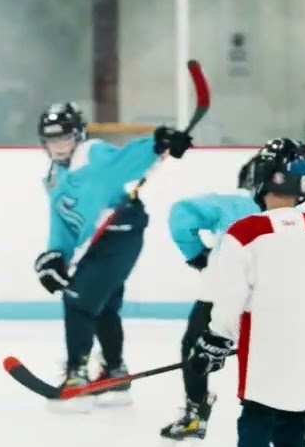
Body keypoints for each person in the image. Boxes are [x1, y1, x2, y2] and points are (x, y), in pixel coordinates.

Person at [190, 138, 305, 447]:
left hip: (265, 347)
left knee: (255, 418)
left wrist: (216, 339)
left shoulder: (245, 232)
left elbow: (230, 297)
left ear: (262, 177)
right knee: (293, 415)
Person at [32, 103, 192, 411]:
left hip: (120, 232)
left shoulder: (91, 154)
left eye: (64, 138)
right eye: (52, 141)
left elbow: (124, 161)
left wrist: (158, 144)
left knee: (77, 300)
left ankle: (77, 377)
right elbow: (63, 221)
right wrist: (56, 255)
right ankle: (115, 374)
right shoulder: (54, 178)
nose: (59, 146)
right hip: (97, 242)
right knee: (102, 306)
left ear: (78, 136)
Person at [158, 155, 261, 447]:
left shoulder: (235, 201)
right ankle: (303, 421)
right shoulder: (294, 216)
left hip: (218, 294)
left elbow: (181, 215)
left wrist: (196, 255)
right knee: (271, 360)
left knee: (195, 350)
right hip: (268, 299)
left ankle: (195, 414)